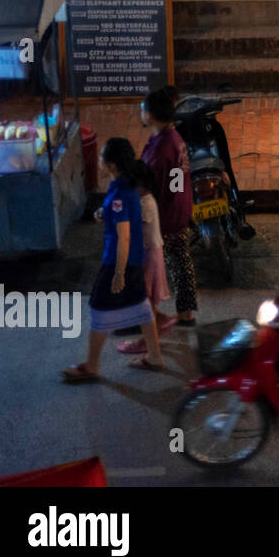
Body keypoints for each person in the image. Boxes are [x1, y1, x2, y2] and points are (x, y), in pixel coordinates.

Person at [62, 139, 166, 383]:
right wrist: (103, 213)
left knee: (98, 307)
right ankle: (154, 356)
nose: (98, 160)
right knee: (141, 306)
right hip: (133, 261)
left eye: (101, 157)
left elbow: (124, 236)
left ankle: (92, 365)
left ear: (111, 163)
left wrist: (119, 273)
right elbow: (119, 215)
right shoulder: (124, 185)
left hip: (120, 262)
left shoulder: (120, 191)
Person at [140, 87, 195, 328]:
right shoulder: (171, 139)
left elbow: (165, 186)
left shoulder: (164, 147)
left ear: (150, 115)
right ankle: (183, 313)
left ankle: (149, 315)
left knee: (158, 265)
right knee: (179, 262)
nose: (141, 112)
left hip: (167, 216)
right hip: (176, 211)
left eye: (143, 109)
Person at [116, 161, 175, 354]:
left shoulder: (146, 204)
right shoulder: (142, 200)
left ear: (140, 186)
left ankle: (147, 343)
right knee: (146, 299)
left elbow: (129, 224)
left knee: (144, 301)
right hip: (148, 254)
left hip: (149, 257)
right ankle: (161, 320)